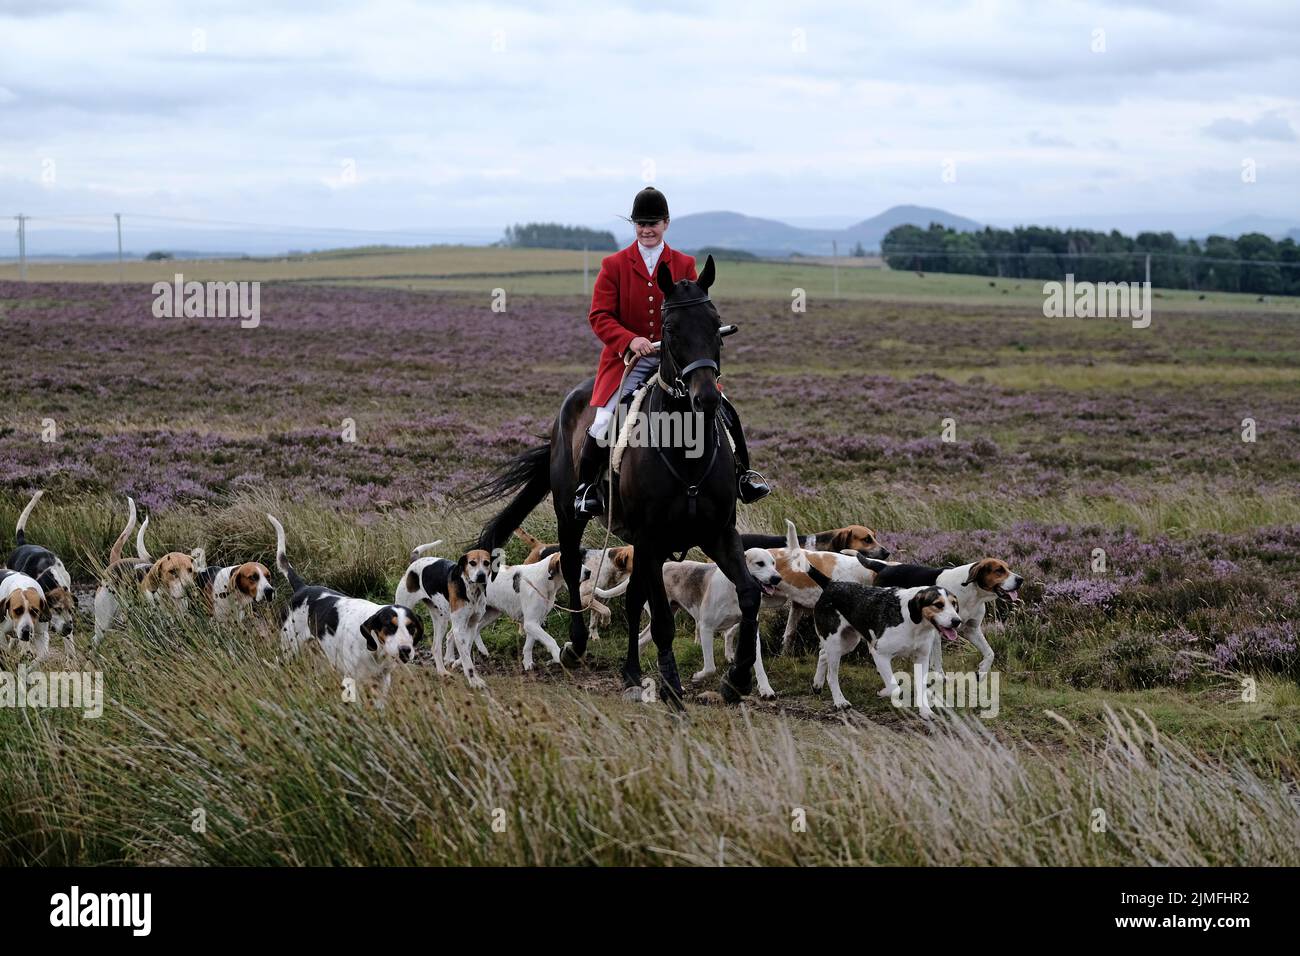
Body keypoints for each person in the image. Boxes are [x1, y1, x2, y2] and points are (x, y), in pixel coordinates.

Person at [573, 186, 770, 516]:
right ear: (634, 226)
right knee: (605, 418)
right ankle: (588, 489)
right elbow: (599, 316)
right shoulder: (614, 265)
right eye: (640, 224)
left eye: (653, 223)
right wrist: (630, 340)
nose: (647, 230)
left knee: (723, 408)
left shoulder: (684, 263)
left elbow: (693, 311)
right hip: (629, 360)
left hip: (677, 358)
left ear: (666, 224)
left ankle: (743, 478)